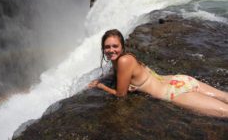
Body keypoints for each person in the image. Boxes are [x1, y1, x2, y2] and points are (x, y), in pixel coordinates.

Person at [88, 29, 228, 118]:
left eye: (115, 46)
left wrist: (101, 86)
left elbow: (120, 95)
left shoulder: (123, 62)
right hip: (180, 80)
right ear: (103, 49)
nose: (111, 50)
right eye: (107, 47)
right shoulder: (127, 57)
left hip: (173, 93)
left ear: (122, 47)